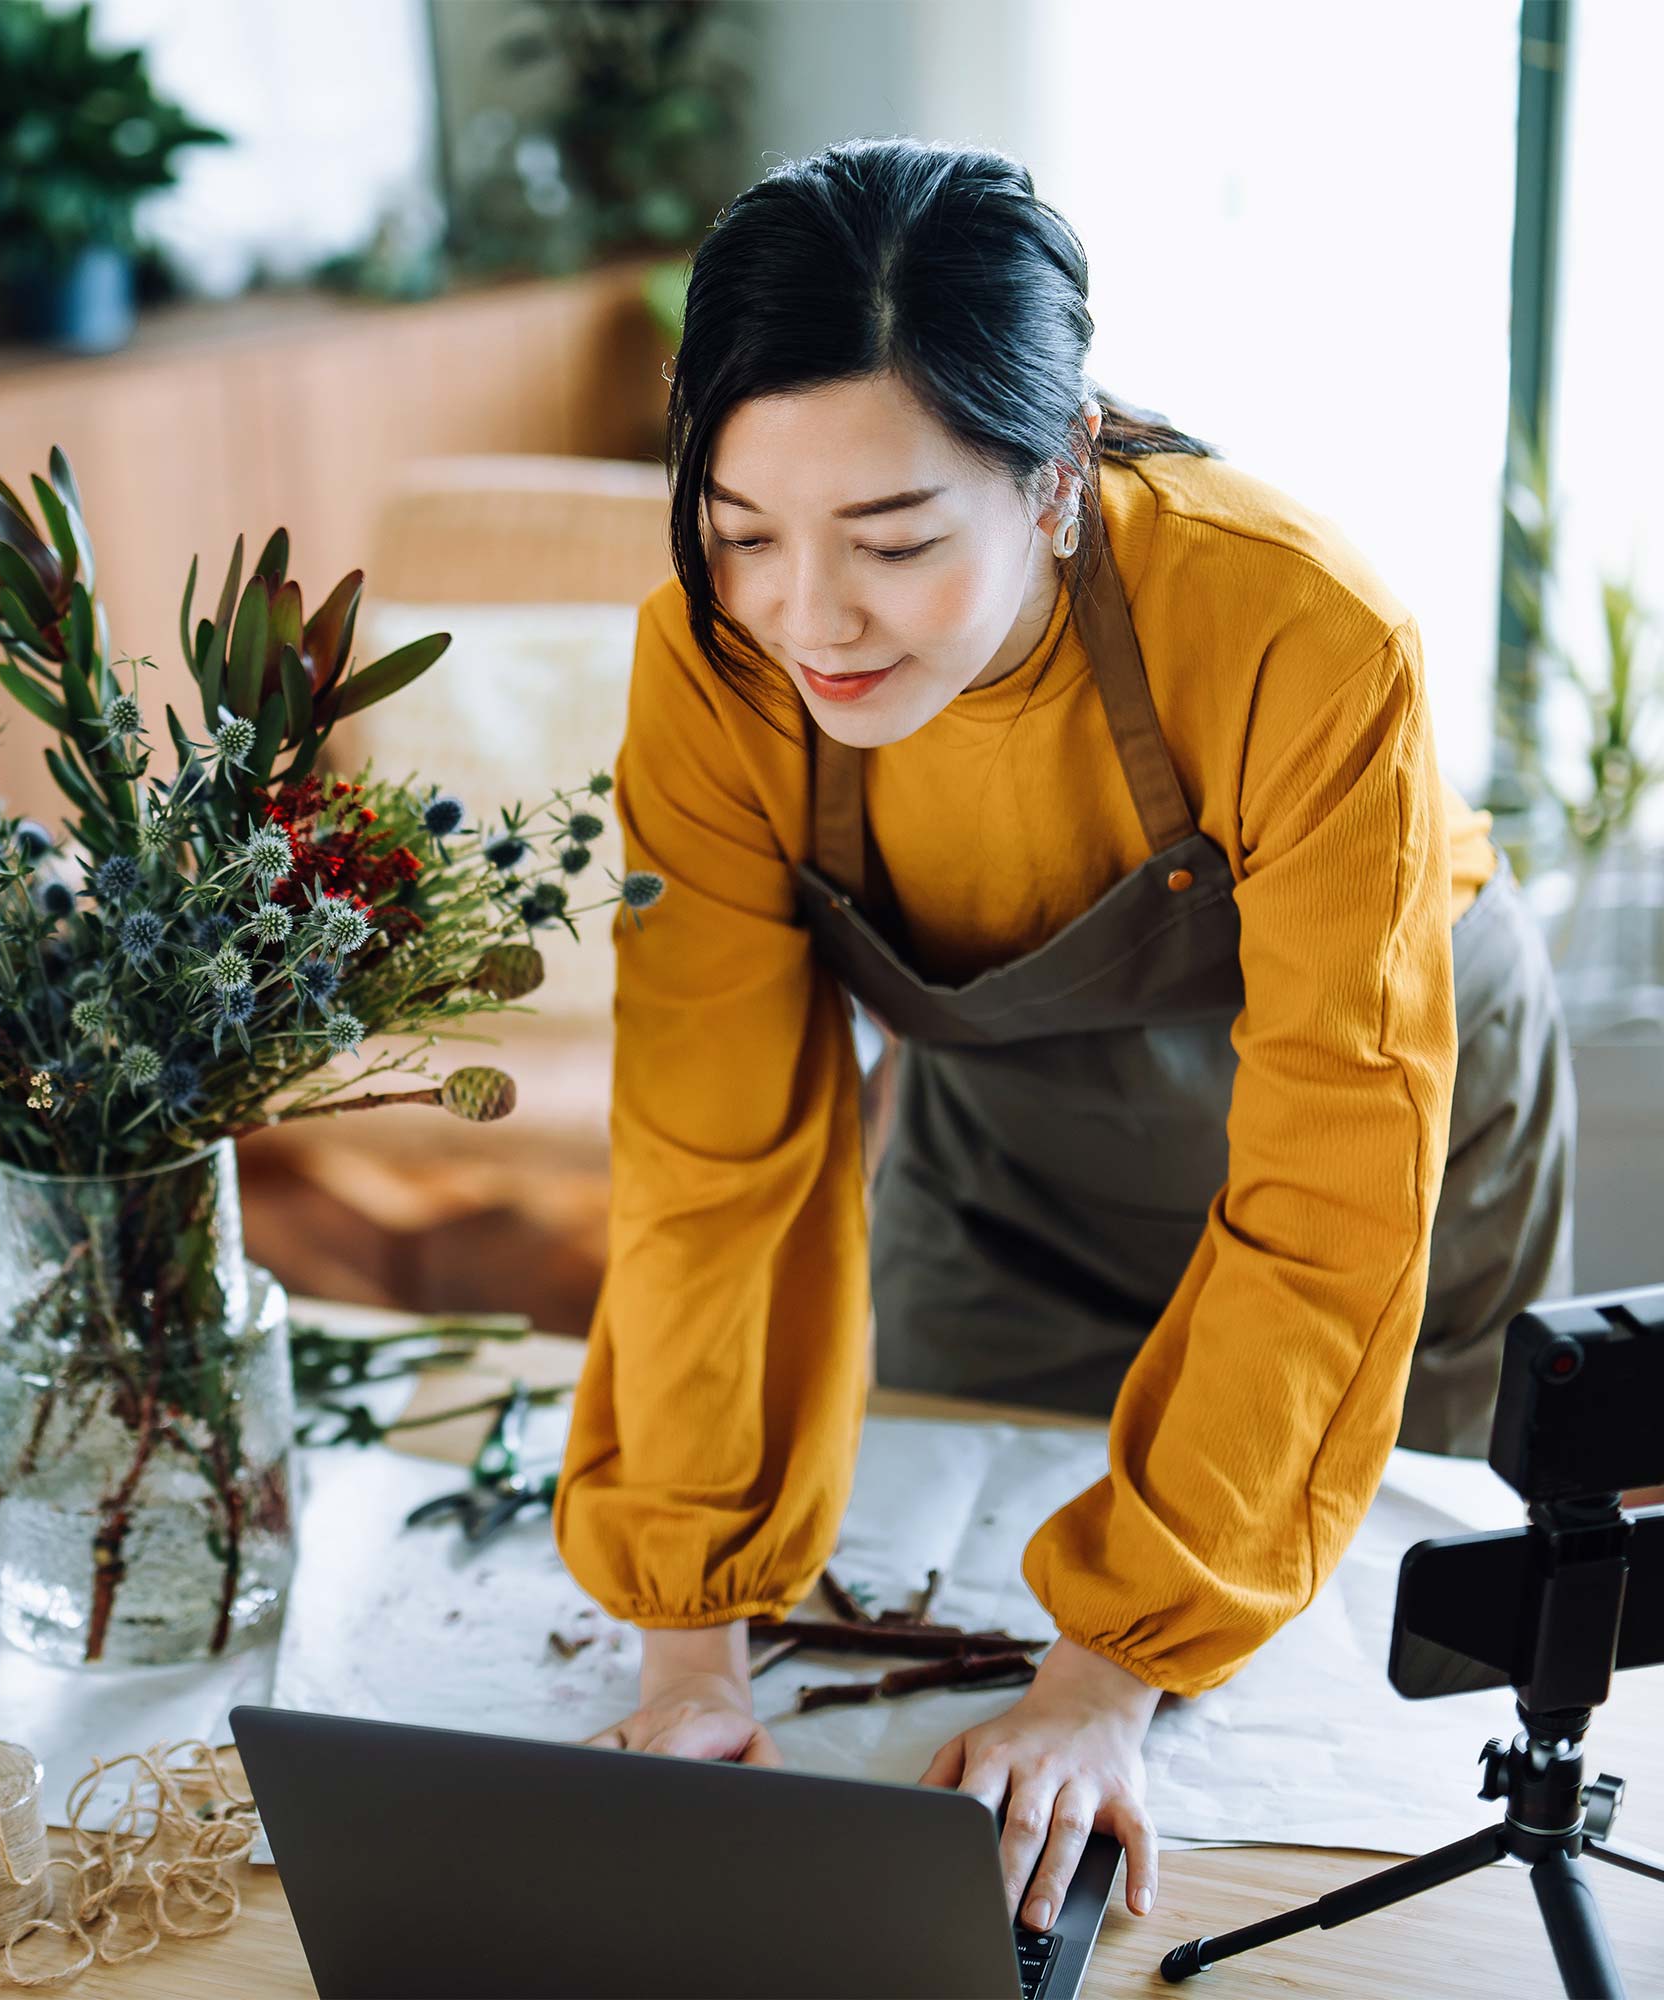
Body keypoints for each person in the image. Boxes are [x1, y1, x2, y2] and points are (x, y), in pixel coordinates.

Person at [550, 139, 1578, 1942]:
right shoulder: (708, 673)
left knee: (1382, 1701)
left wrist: (1109, 1673)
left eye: (892, 540)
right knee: (939, 1582)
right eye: (742, 535)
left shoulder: (1303, 628)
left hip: (1394, 1115)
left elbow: (1331, 1201)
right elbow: (712, 1158)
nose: (810, 617)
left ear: (1057, 475)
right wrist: (690, 1646)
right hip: (1007, 1132)